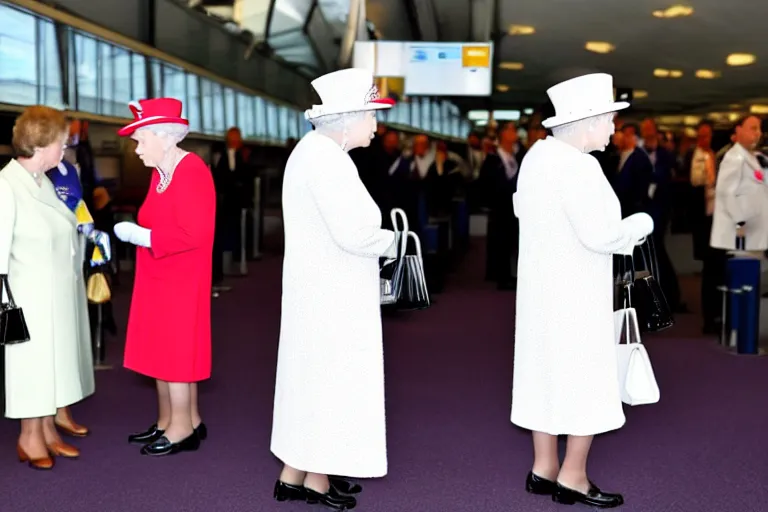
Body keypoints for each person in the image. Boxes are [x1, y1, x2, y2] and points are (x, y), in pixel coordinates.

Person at [511, 73, 654, 508]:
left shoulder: (537, 157)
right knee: (584, 379)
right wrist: (641, 224)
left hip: (540, 291)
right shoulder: (580, 166)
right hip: (577, 292)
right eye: (609, 118)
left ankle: (543, 468)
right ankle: (572, 475)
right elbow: (600, 235)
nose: (613, 128)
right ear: (585, 121)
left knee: (544, 374)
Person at [270, 68, 397, 511]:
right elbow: (354, 234)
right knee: (328, 377)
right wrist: (393, 239)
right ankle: (315, 480)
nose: (376, 126)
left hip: (318, 286)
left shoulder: (312, 153)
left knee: (310, 376)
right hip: (332, 291)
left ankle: (295, 473)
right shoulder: (328, 160)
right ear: (347, 118)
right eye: (370, 116)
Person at [113, 98, 216, 457]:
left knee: (176, 351)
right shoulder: (161, 172)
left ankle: (182, 428)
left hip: (181, 278)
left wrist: (145, 237)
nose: (137, 148)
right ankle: (170, 419)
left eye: (142, 140)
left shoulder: (192, 170)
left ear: (165, 136)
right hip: (158, 274)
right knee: (160, 349)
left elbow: (197, 233)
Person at [0, 105, 96, 470]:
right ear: (42, 145)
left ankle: (45, 431)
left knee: (50, 367)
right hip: (26, 297)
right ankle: (29, 436)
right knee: (32, 368)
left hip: (53, 294)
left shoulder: (43, 181)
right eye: (61, 142)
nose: (65, 148)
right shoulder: (7, 186)